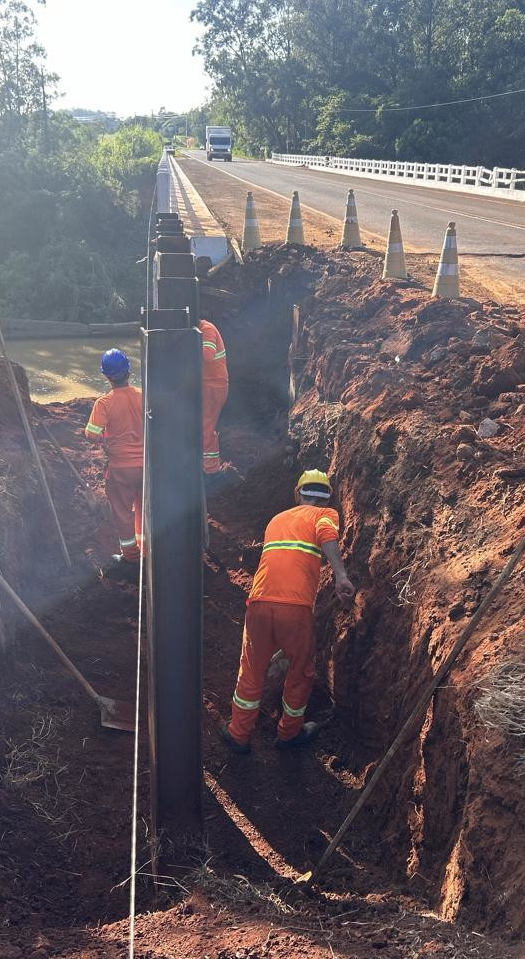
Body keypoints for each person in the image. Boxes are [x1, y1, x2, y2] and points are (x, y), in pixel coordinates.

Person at [221, 469, 355, 753]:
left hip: (258, 603)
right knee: (300, 671)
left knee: (252, 668)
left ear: (298, 494)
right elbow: (327, 536)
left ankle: (238, 734)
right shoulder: (325, 515)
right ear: (328, 497)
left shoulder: (277, 519)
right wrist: (341, 575)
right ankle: (288, 734)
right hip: (295, 610)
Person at [85, 349, 144, 565]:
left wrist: (104, 440)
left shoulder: (104, 403)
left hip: (120, 469)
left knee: (123, 513)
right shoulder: (143, 395)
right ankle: (148, 549)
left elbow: (92, 433)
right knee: (145, 509)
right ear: (128, 371)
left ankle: (131, 557)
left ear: (107, 376)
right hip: (147, 466)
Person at [198, 317, 229, 477]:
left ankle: (211, 470)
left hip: (214, 387)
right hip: (207, 385)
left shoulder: (207, 329)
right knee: (203, 425)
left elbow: (208, 355)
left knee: (205, 428)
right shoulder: (203, 329)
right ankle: (205, 464)